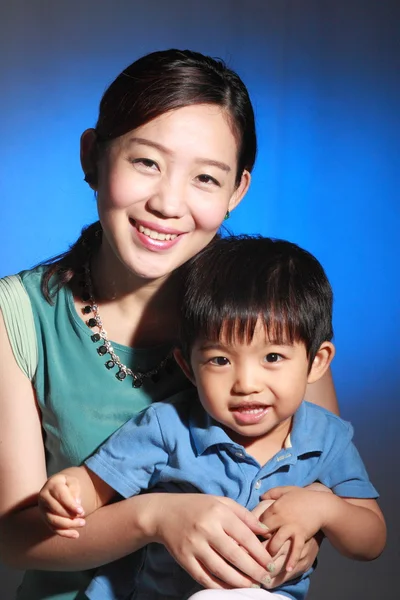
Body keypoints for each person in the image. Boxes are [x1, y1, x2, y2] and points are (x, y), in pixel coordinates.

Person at [0, 50, 338, 600]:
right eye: (147, 162)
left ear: (237, 192)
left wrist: (302, 535)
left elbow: (317, 482)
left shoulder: (268, 306)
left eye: (206, 177)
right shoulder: (15, 314)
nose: (168, 203)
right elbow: (12, 538)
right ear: (93, 156)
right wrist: (156, 517)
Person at [38, 235, 386, 600]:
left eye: (272, 358)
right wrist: (69, 490)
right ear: (188, 368)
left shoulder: (327, 437)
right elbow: (96, 486)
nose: (247, 385)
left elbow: (371, 540)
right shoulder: (167, 426)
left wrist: (325, 508)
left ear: (316, 362)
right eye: (220, 360)